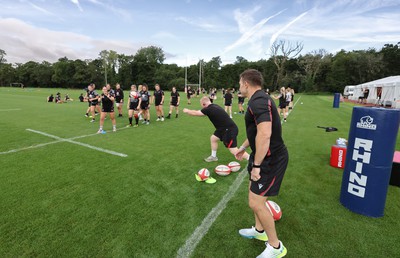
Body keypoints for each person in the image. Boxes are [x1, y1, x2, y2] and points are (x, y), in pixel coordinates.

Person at [236, 69, 288, 258]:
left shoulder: (258, 101)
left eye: (240, 83)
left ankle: (276, 247)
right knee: (255, 198)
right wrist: (243, 147)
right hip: (261, 156)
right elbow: (257, 131)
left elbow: (265, 134)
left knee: (256, 203)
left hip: (270, 160)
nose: (239, 86)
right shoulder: (259, 99)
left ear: (246, 83)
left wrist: (257, 165)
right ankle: (259, 231)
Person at [183, 96, 249, 162]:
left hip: (228, 130)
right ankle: (213, 157)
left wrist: (187, 111)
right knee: (213, 138)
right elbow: (200, 112)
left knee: (233, 150)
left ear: (204, 104)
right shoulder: (214, 106)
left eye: (202, 106)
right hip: (223, 129)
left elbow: (195, 113)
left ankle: (251, 159)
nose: (202, 107)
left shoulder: (208, 109)